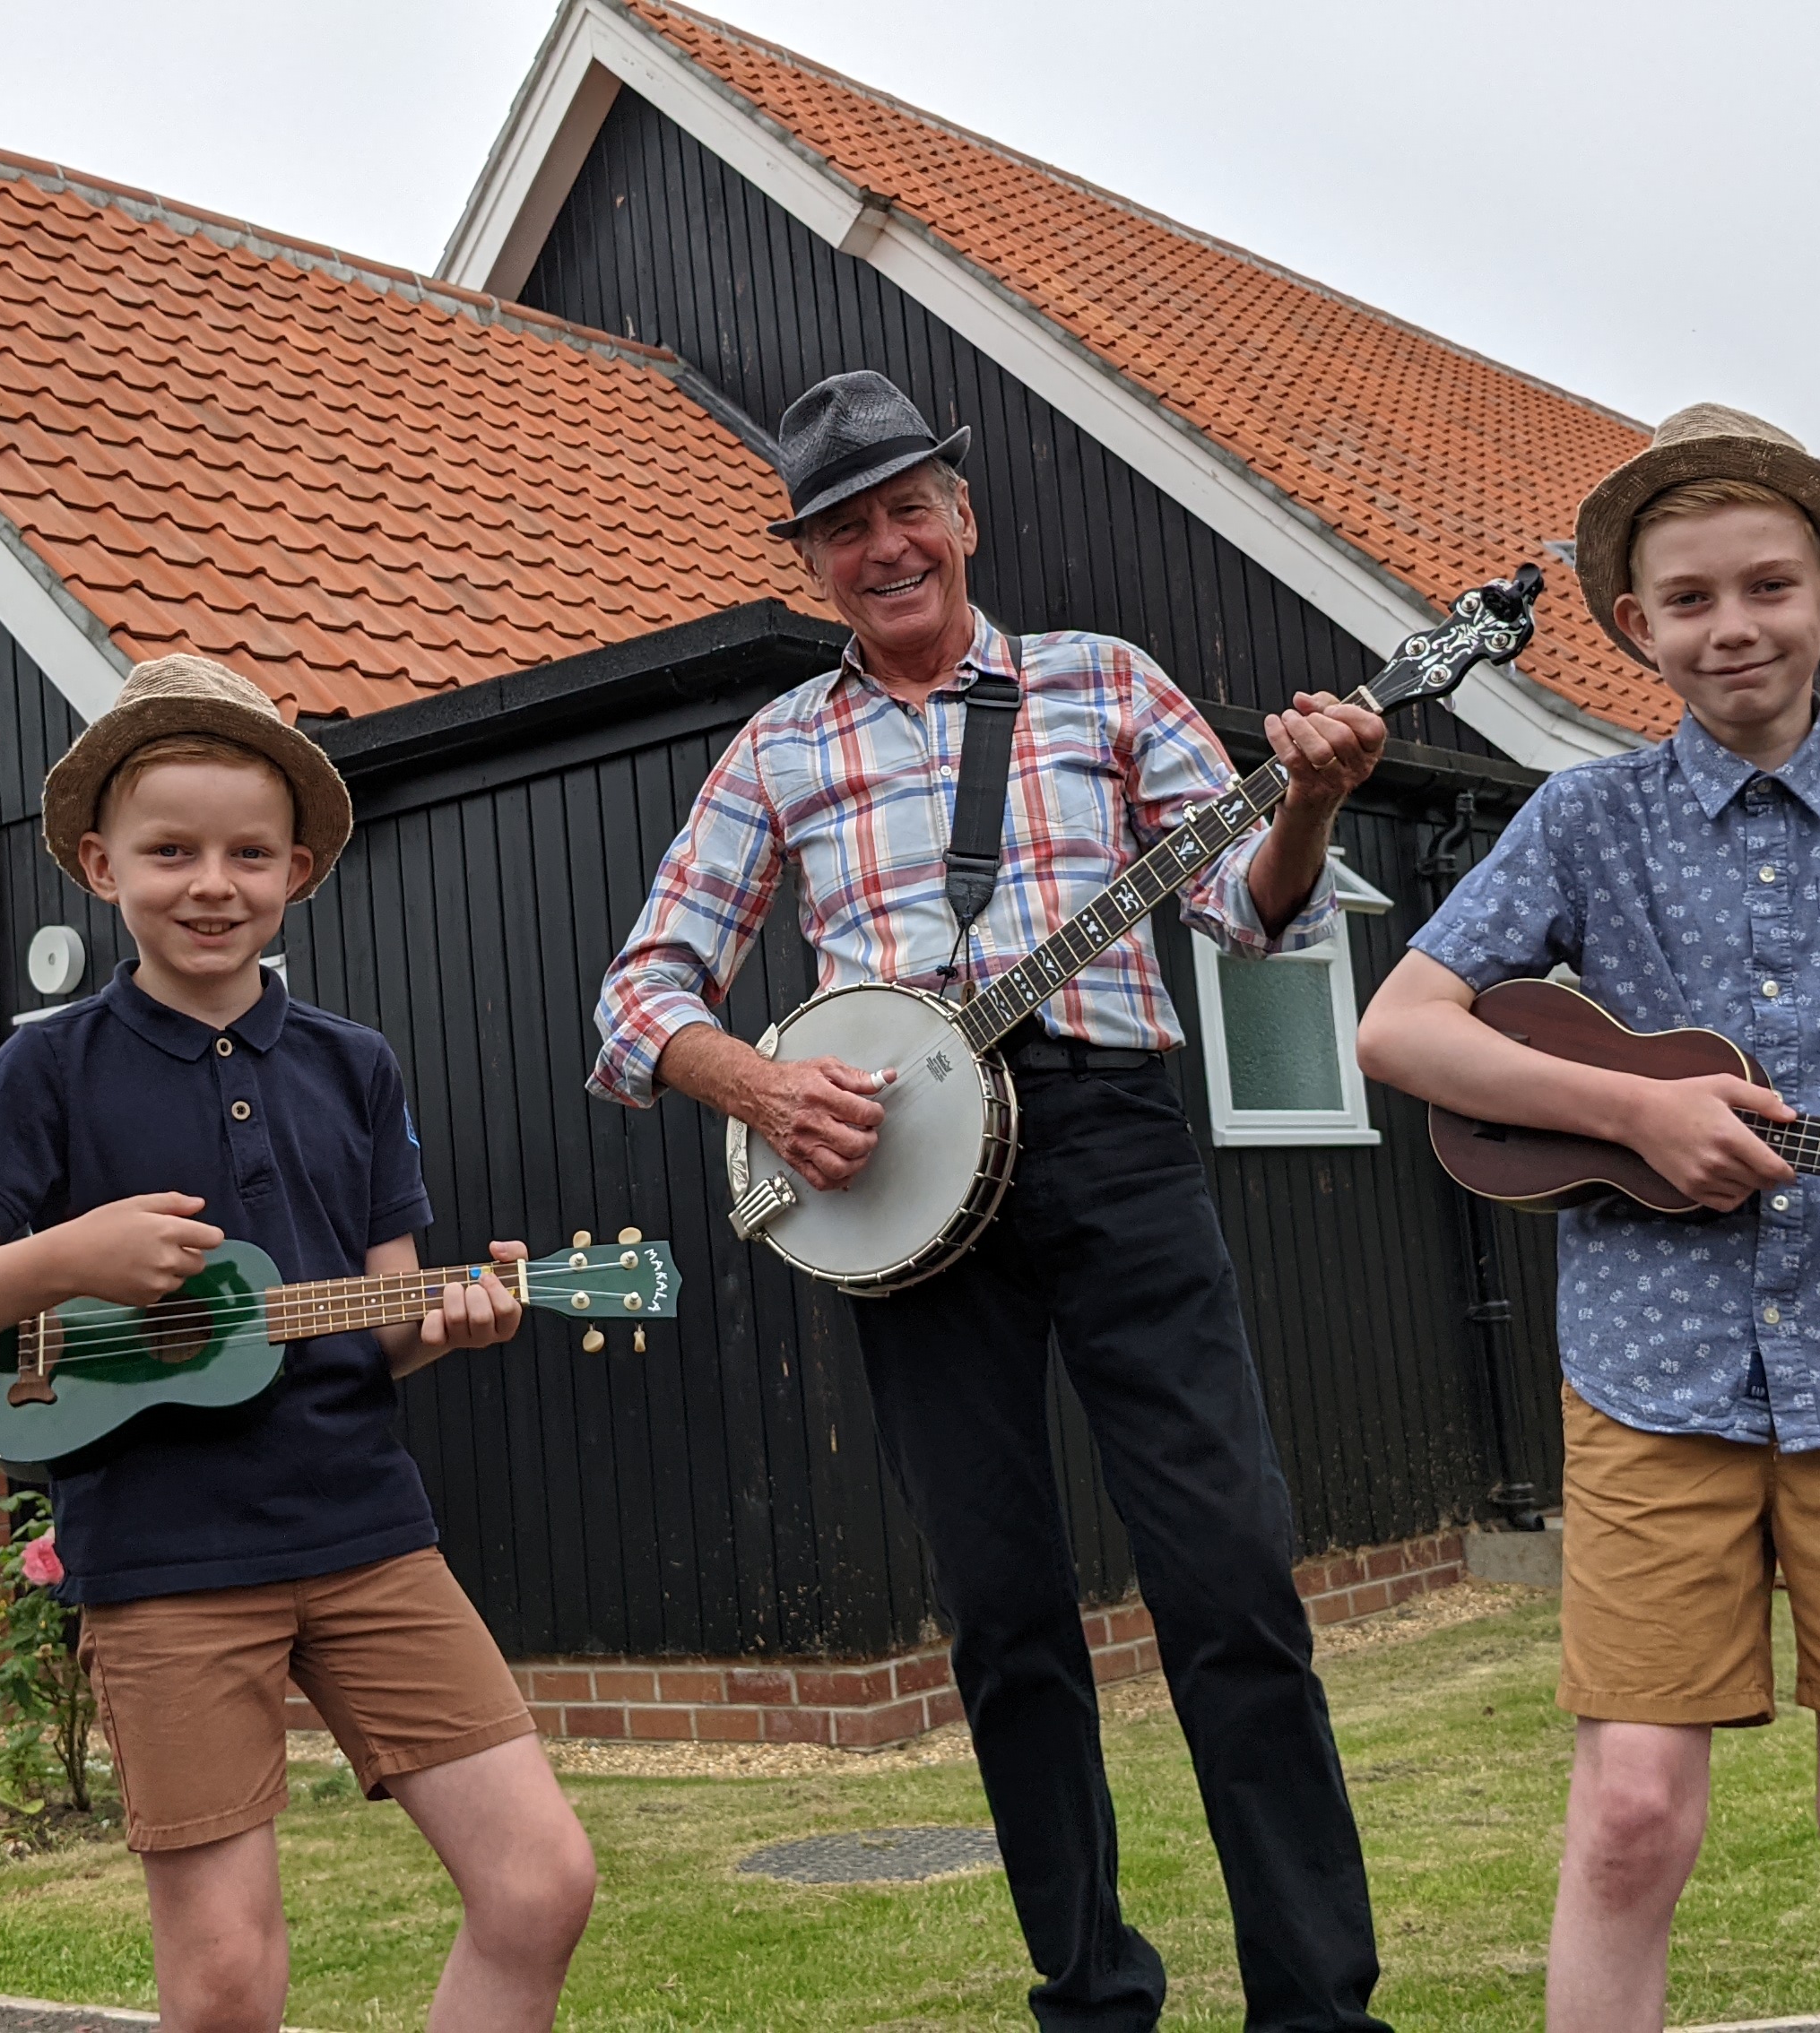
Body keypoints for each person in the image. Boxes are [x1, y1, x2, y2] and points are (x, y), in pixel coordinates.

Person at [590, 369, 1395, 2031]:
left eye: (906, 511)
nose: (883, 548)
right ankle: (1090, 1998)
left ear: (963, 517)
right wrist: (753, 1085)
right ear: (810, 562)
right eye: (842, 528)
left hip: (1112, 1141)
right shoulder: (777, 748)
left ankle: (1318, 2011)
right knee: (1007, 1615)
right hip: (898, 1188)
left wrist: (1307, 795)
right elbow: (639, 991)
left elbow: (1257, 919)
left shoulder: (1105, 685)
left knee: (1231, 1579)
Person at [1354, 405, 1820, 2032]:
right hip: (1652, 1371)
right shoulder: (1583, 818)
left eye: (1765, 588)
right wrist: (1635, 1108)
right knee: (1629, 1820)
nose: (1730, 626)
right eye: (1688, 600)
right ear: (1634, 628)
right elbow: (1403, 1029)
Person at [0, 655, 594, 2033]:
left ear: (297, 872)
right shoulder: (50, 1070)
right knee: (225, 1980)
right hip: (167, 1561)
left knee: (540, 1882)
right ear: (97, 863)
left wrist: (456, 1322)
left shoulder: (353, 1065)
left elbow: (372, 1325)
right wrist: (70, 1256)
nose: (212, 883)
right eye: (171, 850)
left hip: (367, 1532)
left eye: (249, 853)